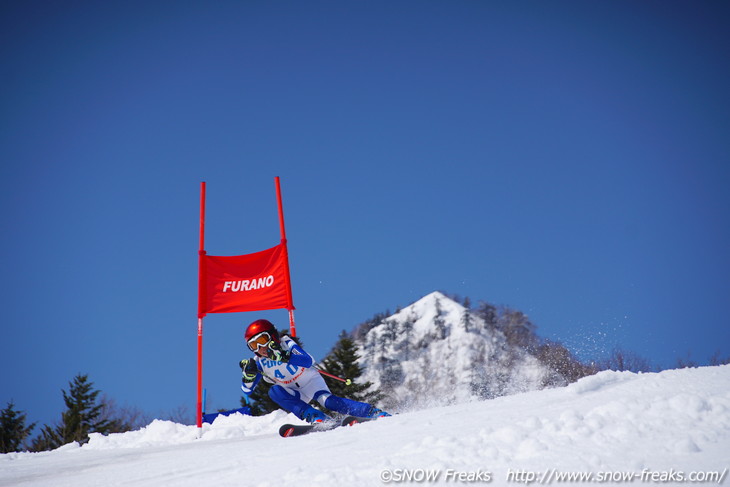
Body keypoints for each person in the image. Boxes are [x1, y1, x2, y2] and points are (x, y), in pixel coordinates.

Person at [239, 319, 390, 423]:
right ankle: (316, 417)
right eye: (254, 345)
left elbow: (307, 361)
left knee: (329, 402)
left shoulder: (286, 343)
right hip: (293, 392)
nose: (260, 348)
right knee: (274, 391)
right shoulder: (259, 362)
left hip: (310, 381)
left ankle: (371, 412)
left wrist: (284, 356)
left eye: (262, 341)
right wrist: (249, 375)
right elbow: (247, 390)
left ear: (272, 336)